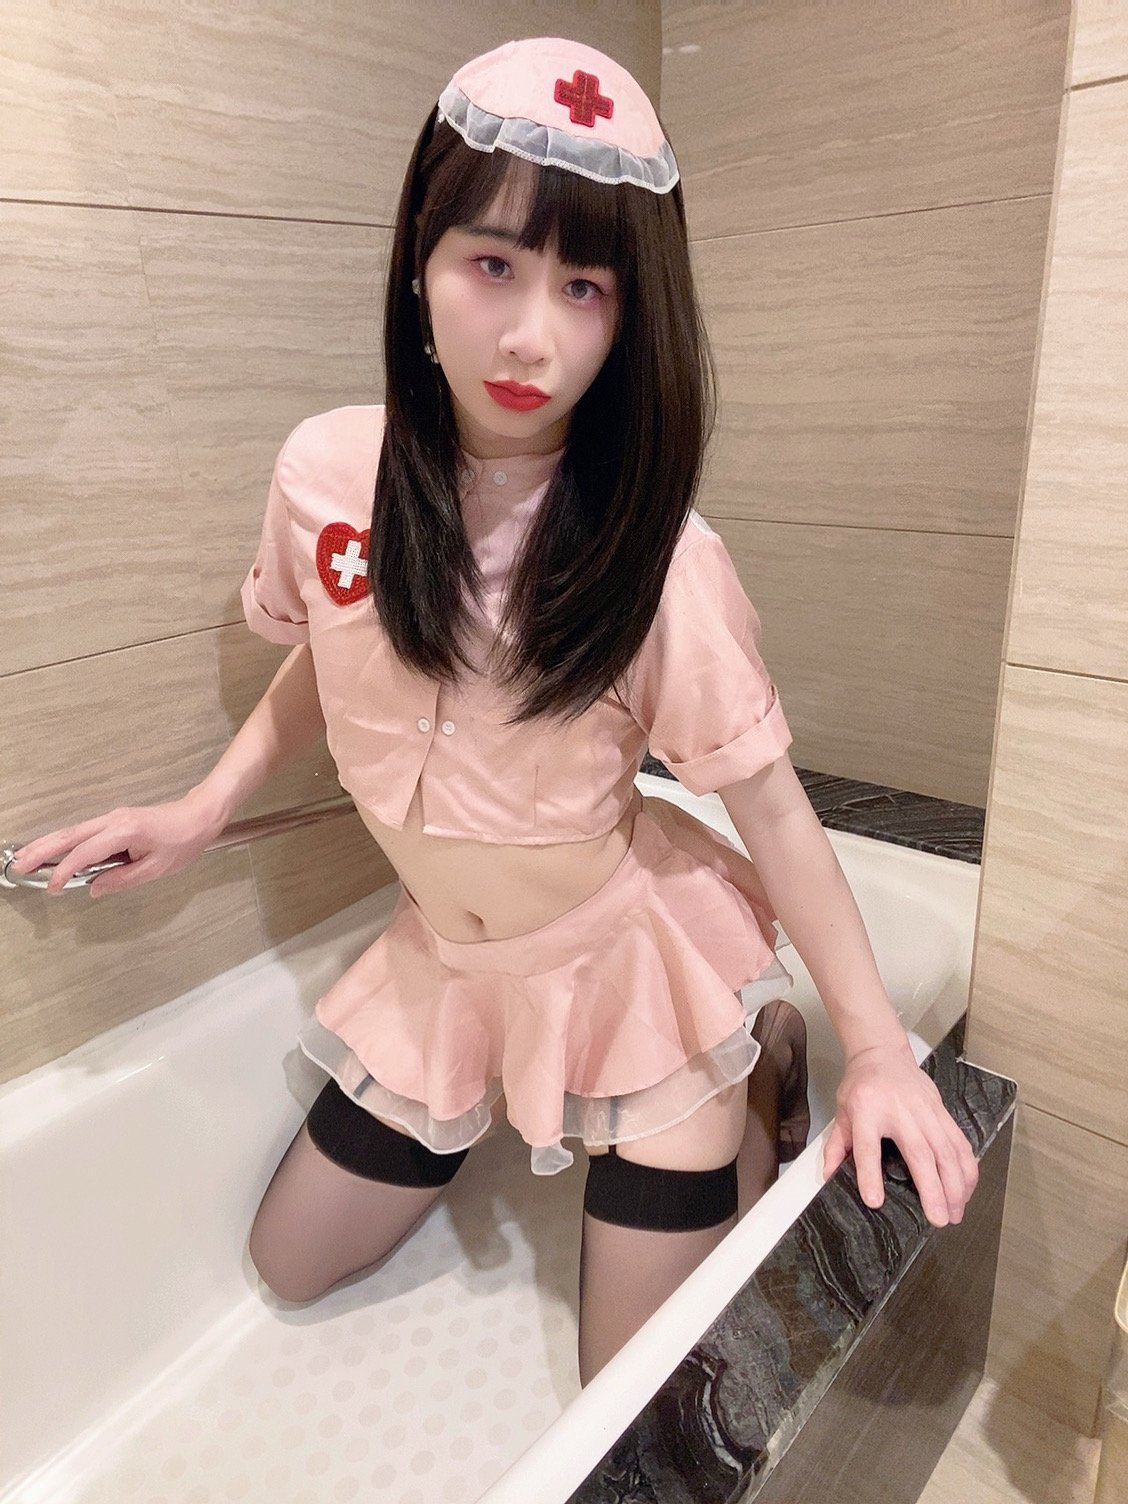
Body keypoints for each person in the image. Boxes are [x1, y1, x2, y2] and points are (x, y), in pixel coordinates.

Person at [9, 37, 978, 1387]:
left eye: (584, 287)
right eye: (493, 265)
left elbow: (772, 812)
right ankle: (517, 1095)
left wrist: (878, 1051)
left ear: (630, 319)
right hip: (446, 968)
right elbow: (339, 652)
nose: (532, 336)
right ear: (421, 261)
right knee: (289, 1262)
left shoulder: (659, 559)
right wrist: (203, 809)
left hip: (623, 965)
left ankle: (759, 1065)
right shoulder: (326, 471)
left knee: (627, 1390)